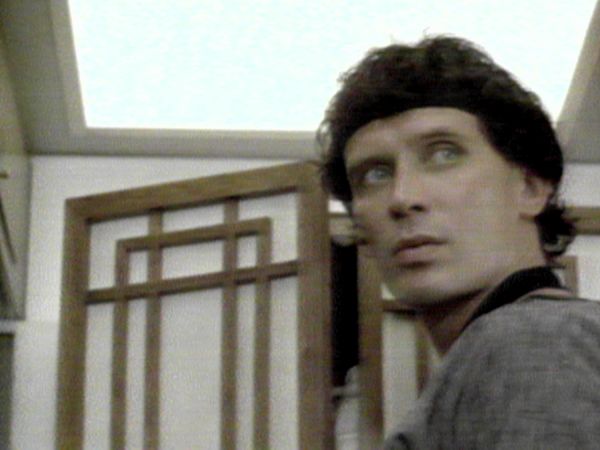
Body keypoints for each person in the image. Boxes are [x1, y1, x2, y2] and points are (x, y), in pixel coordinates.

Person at [318, 36, 600, 448]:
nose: (402, 198)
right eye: (374, 174)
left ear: (529, 187)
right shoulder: (493, 358)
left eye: (444, 154)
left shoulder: (536, 337)